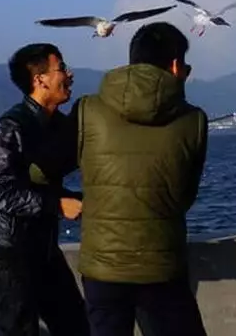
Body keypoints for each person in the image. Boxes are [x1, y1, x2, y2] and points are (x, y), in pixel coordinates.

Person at [76, 21, 209, 336]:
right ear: (175, 66)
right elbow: (184, 197)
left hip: (102, 269)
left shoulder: (87, 110)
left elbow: (43, 167)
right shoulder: (193, 120)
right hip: (161, 266)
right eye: (186, 67)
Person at [0, 43, 91, 336]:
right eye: (61, 68)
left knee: (77, 326)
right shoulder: (9, 127)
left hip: (45, 247)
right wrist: (57, 205)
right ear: (39, 79)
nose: (69, 75)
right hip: (15, 251)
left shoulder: (59, 125)